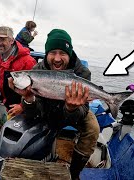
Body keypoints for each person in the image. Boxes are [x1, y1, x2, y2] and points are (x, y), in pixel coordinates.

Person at [8, 29, 100, 179]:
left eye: (62, 53)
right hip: (47, 110)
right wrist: (29, 99)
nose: (57, 58)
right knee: (27, 122)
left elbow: (82, 111)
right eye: (52, 53)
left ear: (69, 54)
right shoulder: (37, 71)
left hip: (74, 110)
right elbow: (33, 113)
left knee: (92, 128)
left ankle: (74, 173)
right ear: (47, 54)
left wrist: (71, 108)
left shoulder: (82, 72)